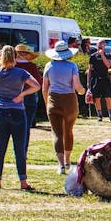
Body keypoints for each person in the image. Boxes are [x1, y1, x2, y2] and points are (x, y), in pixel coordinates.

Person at [0, 45, 40, 190]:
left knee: (0, 148)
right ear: (15, 57)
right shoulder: (21, 72)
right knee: (19, 149)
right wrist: (21, 95)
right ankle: (23, 182)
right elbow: (36, 86)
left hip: (1, 112)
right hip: (17, 111)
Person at [42, 40, 86, 174]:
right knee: (68, 130)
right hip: (69, 99)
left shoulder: (49, 66)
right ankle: (67, 161)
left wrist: (46, 102)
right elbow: (77, 86)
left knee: (57, 133)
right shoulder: (72, 66)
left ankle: (60, 165)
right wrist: (83, 91)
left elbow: (45, 88)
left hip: (53, 99)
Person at [12, 44, 44, 152]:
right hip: (29, 96)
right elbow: (39, 83)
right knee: (26, 126)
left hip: (14, 97)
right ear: (26, 54)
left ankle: (16, 150)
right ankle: (23, 151)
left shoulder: (12, 66)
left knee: (15, 126)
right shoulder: (32, 66)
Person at [87, 39, 111, 122]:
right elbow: (89, 70)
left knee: (107, 97)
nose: (100, 46)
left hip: (105, 79)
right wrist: (88, 82)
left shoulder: (107, 55)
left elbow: (108, 65)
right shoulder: (92, 56)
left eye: (102, 44)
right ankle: (99, 116)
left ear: (104, 46)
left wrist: (102, 55)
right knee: (97, 98)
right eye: (99, 44)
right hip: (95, 79)